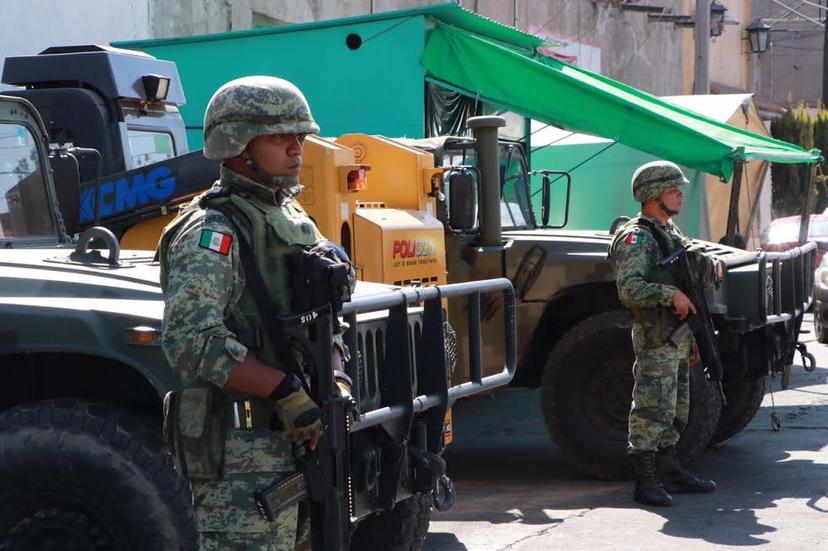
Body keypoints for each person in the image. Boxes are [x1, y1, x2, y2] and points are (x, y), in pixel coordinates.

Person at [158, 76, 349, 550]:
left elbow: (329, 317)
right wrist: (284, 391)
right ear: (237, 144)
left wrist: (336, 380)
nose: (296, 148)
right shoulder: (213, 231)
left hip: (303, 440)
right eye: (279, 137)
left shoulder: (292, 219)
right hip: (241, 455)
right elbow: (192, 341)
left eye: (299, 136)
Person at [608, 160, 717, 507]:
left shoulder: (669, 232)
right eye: (673, 189)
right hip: (655, 338)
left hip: (676, 337)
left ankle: (670, 471)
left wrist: (691, 339)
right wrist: (670, 295)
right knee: (651, 410)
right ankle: (645, 480)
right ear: (653, 194)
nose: (680, 195)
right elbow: (630, 289)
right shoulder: (637, 238)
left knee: (675, 409)